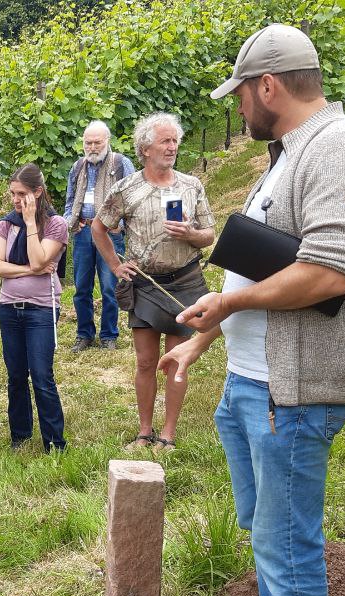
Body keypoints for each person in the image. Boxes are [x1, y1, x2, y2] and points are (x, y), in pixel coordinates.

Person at [159, 25, 345, 596]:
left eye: (242, 95)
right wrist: (204, 340)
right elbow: (262, 264)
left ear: (269, 86)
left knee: (288, 547)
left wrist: (228, 301)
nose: (240, 110)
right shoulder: (287, 153)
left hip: (293, 392)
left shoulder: (338, 150)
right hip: (252, 385)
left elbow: (326, 272)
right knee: (267, 536)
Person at [92, 112, 216, 454]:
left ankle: (168, 434)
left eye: (175, 140)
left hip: (185, 281)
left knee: (176, 359)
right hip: (145, 284)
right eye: (165, 141)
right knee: (146, 361)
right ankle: (144, 432)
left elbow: (209, 235)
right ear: (145, 148)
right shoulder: (126, 188)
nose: (172, 147)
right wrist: (117, 266)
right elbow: (99, 228)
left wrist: (190, 233)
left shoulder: (191, 186)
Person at [0, 164, 69, 452]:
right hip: (9, 308)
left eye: (21, 193)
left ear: (37, 193)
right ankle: (20, 437)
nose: (15, 199)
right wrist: (28, 270)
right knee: (16, 375)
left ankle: (55, 443)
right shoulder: (6, 224)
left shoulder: (56, 224)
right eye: (12, 193)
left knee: (41, 375)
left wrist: (32, 224)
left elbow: (40, 260)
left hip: (41, 309)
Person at [63, 120, 136, 352]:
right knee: (81, 286)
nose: (92, 147)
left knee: (109, 285)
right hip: (83, 231)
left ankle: (109, 335)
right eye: (88, 143)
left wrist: (120, 224)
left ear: (107, 141)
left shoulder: (121, 163)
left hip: (108, 232)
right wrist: (70, 223)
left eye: (97, 142)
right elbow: (69, 200)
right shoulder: (77, 167)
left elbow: (132, 199)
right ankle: (84, 334)